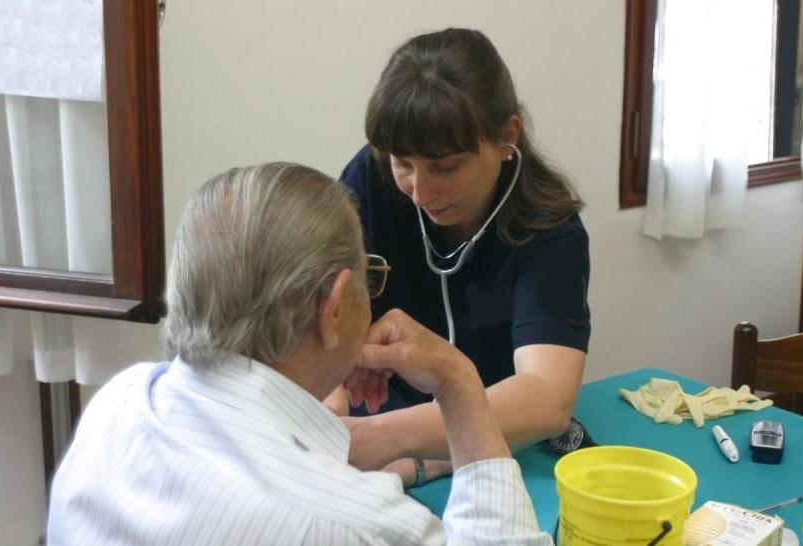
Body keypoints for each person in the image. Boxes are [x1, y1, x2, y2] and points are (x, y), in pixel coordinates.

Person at [46, 163, 552, 545]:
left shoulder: (119, 402)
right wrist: (458, 379)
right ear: (333, 309)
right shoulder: (348, 525)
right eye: (369, 278)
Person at [333, 28, 591, 486]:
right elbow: (323, 307)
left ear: (505, 136)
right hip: (371, 429)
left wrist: (388, 440)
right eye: (403, 164)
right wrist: (330, 407)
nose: (420, 191)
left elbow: (546, 398)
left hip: (494, 441)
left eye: (445, 167)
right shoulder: (369, 179)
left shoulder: (550, 231)